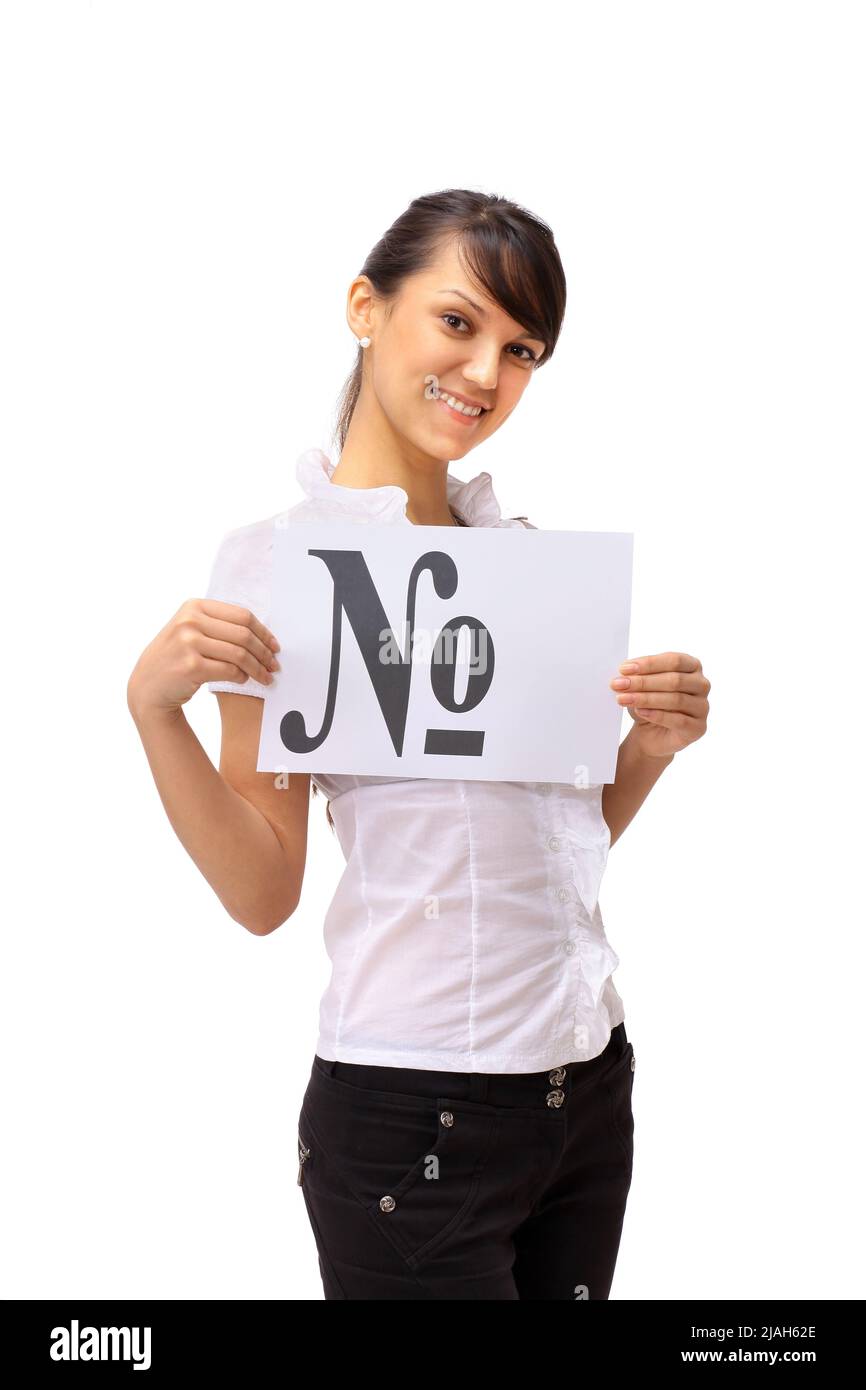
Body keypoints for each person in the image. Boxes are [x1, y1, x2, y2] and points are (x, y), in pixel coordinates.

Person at [126, 188, 711, 1300]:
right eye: (457, 322)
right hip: (410, 1109)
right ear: (364, 306)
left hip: (583, 1087)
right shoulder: (280, 568)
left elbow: (548, 851)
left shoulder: (531, 571)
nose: (487, 375)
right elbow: (262, 891)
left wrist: (648, 748)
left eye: (521, 347)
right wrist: (155, 713)